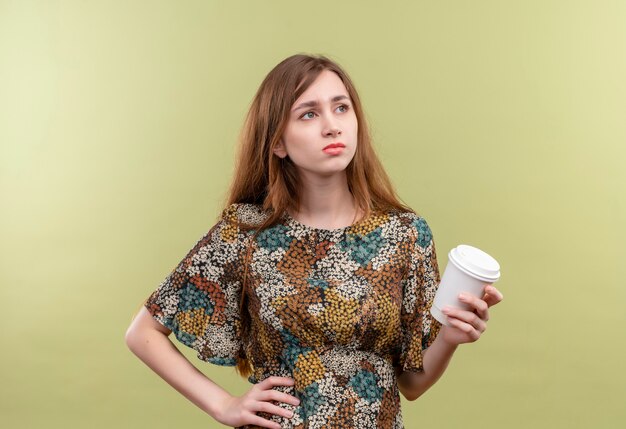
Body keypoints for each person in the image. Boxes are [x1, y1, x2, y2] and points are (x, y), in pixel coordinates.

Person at [125, 53, 504, 429]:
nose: (332, 126)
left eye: (341, 108)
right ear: (278, 143)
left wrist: (451, 337)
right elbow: (142, 333)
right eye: (309, 114)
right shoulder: (247, 231)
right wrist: (224, 405)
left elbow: (412, 383)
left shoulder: (405, 234)